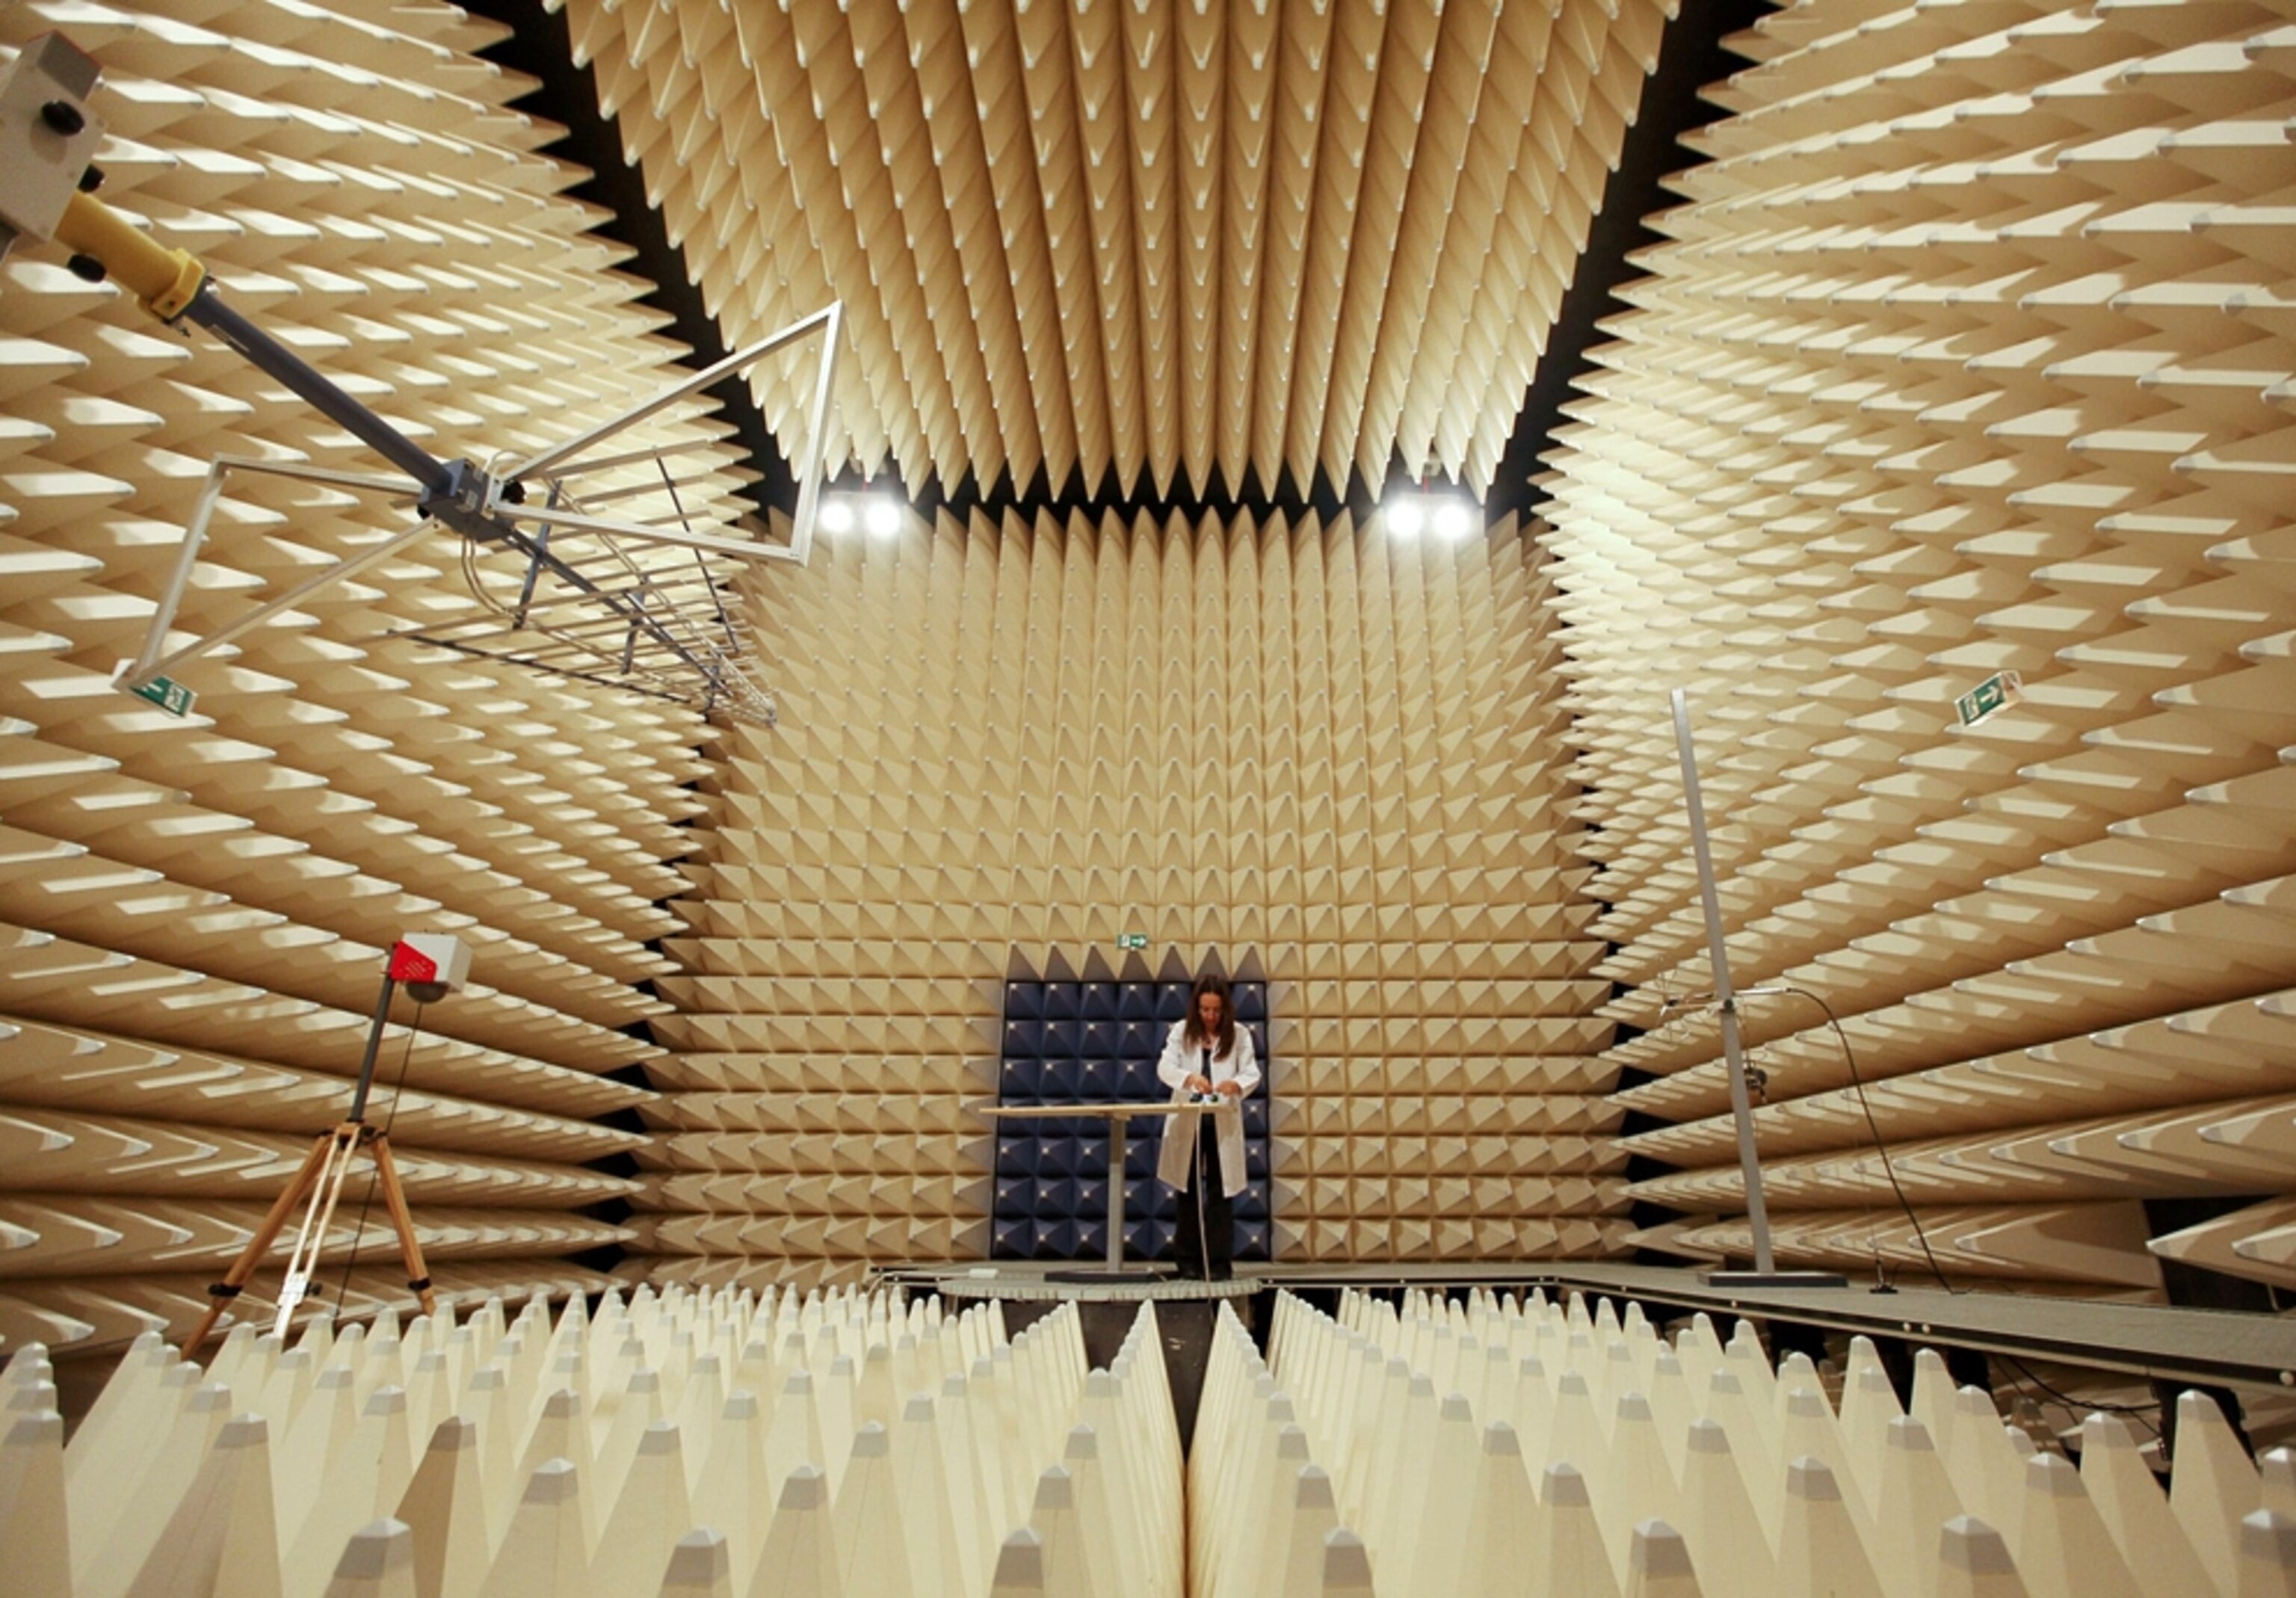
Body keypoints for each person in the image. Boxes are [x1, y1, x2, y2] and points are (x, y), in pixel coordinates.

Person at [1153, 974, 1259, 1280]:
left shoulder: (1239, 1035)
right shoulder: (1181, 1032)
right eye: (1205, 1010)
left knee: (1220, 1193)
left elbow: (1252, 1071)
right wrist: (1189, 1079)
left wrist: (1235, 1084)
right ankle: (1187, 1262)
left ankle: (1219, 1263)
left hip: (1221, 1121)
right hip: (1189, 1120)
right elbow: (1165, 1066)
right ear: (1196, 1009)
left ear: (1225, 1009)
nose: (1211, 1016)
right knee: (1187, 1192)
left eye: (1216, 1010)